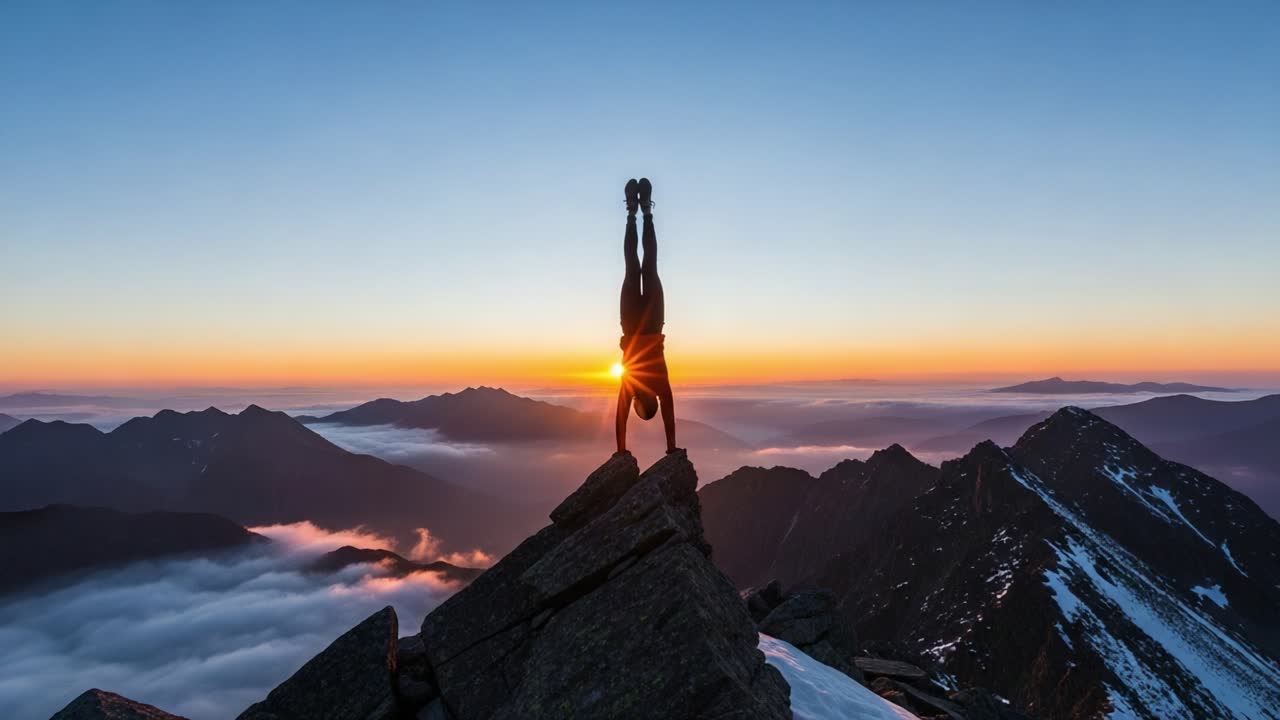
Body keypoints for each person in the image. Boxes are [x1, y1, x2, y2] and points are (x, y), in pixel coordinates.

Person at [616, 177, 677, 455]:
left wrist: (671, 449)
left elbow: (668, 418)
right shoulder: (633, 385)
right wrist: (621, 451)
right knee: (635, 267)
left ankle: (642, 213)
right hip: (633, 324)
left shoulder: (646, 386)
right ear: (644, 403)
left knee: (646, 265)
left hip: (650, 322)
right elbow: (620, 418)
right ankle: (634, 213)